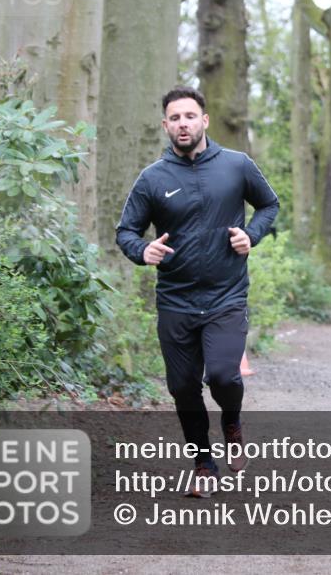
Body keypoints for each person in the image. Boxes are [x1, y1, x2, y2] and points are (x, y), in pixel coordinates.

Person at [116, 86, 279, 497]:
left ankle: (232, 422)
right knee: (182, 387)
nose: (183, 123)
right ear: (165, 125)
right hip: (175, 298)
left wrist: (251, 235)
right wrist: (142, 250)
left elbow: (270, 206)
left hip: (226, 294)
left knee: (223, 375)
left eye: (190, 116)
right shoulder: (153, 179)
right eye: (175, 118)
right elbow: (126, 232)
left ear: (204, 121)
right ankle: (203, 463)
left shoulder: (236, 165)